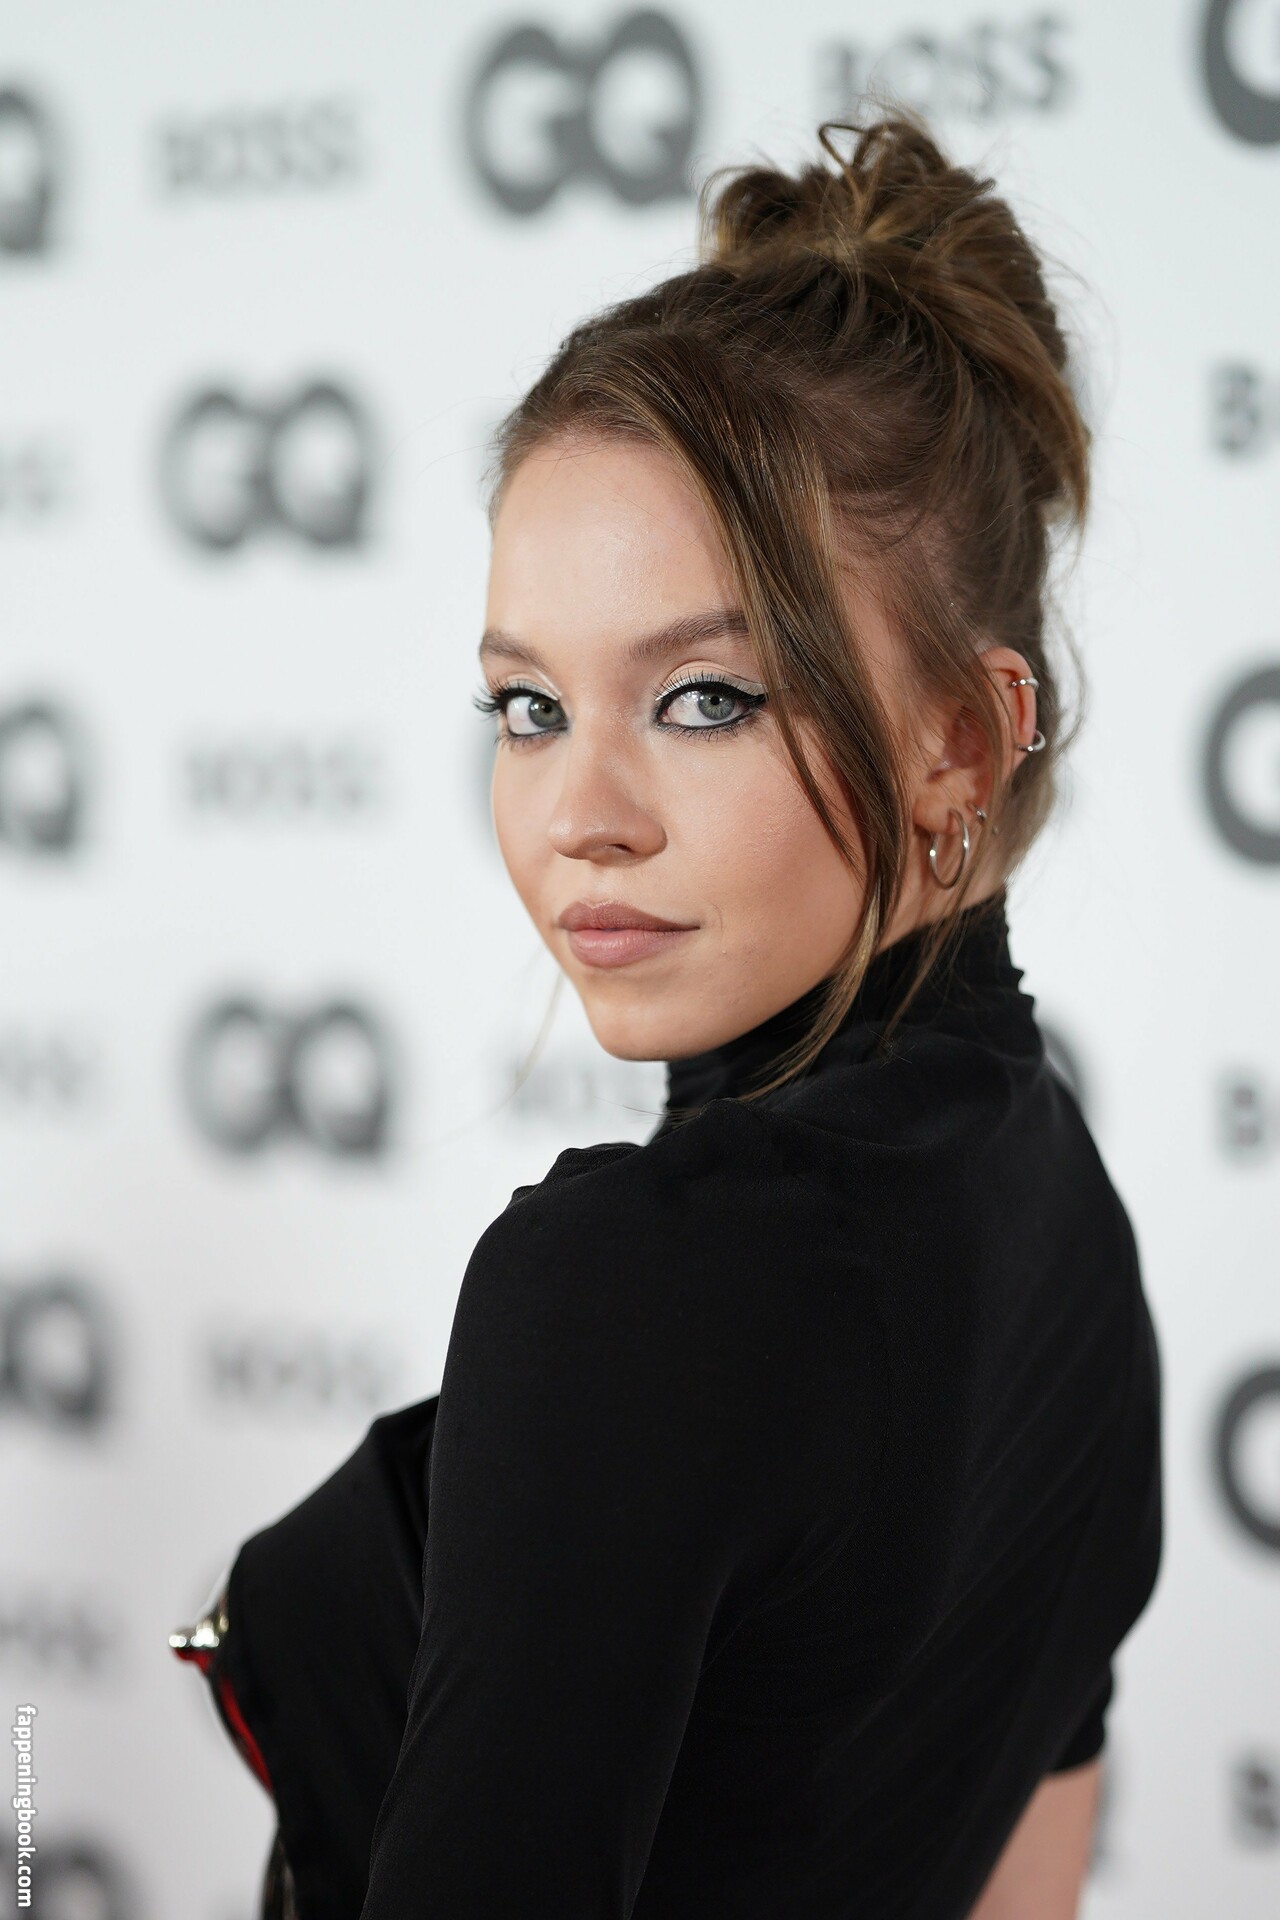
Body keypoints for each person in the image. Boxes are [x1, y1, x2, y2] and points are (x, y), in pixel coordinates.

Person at [169, 111, 1163, 1920]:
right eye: (529, 707)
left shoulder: (624, 1289)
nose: (578, 813)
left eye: (704, 698)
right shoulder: (1069, 1211)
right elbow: (1035, 1864)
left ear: (960, 737)